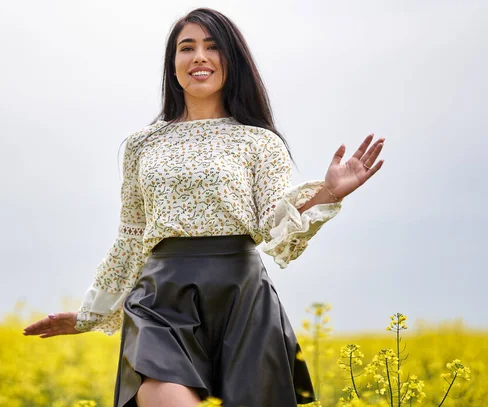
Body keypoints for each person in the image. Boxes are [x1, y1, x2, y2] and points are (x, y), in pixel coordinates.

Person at [23, 7, 385, 407]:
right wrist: (90, 315)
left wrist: (330, 193)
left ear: (231, 61)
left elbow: (278, 228)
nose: (199, 56)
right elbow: (129, 240)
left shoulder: (259, 142)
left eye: (212, 47)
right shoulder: (142, 145)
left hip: (241, 299)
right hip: (161, 300)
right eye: (186, 47)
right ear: (173, 65)